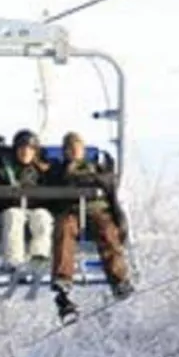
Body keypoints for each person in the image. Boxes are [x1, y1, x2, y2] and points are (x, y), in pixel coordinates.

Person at [49, 131, 134, 319]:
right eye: (69, 149)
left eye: (77, 148)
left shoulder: (96, 166)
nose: (74, 151)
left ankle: (119, 278)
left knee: (108, 232)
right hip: (70, 210)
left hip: (96, 209)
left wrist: (88, 179)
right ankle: (63, 278)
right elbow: (59, 182)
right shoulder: (58, 169)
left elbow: (107, 181)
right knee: (64, 229)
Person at [0, 130, 54, 276]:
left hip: (35, 207)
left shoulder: (42, 170)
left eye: (30, 149)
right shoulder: (5, 168)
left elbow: (51, 191)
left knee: (43, 217)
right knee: (13, 216)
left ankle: (39, 257)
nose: (25, 152)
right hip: (13, 207)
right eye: (22, 148)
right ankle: (13, 261)